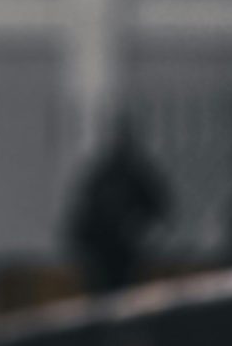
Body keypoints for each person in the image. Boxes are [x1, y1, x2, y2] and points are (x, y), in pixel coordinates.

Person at [66, 113, 172, 294]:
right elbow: (83, 217)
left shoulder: (136, 175)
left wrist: (140, 231)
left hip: (127, 257)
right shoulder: (102, 175)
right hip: (101, 254)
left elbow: (160, 209)